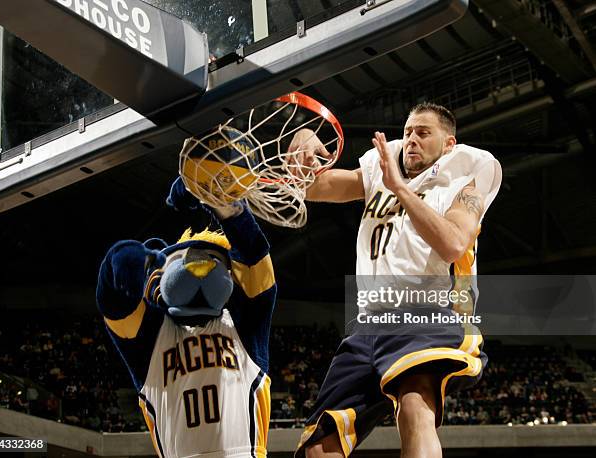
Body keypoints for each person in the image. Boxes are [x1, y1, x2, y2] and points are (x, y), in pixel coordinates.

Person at [290, 103, 502, 458]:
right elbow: (316, 187)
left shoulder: (469, 170)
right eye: (407, 132)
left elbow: (452, 243)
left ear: (448, 144)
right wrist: (302, 145)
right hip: (368, 323)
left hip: (428, 311)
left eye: (423, 132)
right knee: (318, 445)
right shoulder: (381, 165)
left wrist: (400, 188)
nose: (411, 140)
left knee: (416, 408)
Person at [96, 176, 276, 458]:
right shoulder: (152, 336)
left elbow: (255, 265)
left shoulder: (243, 324)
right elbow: (118, 311)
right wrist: (118, 264)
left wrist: (223, 203)